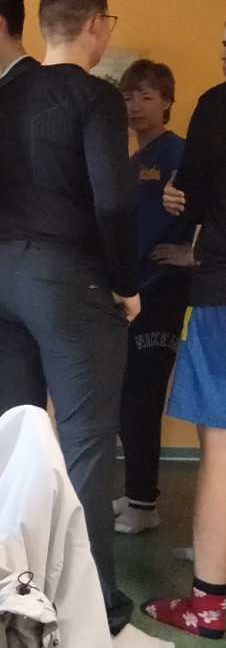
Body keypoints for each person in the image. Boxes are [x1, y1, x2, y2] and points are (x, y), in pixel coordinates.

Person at [0, 0, 173, 648]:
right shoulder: (95, 97)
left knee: (10, 439)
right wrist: (126, 284)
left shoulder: (6, 95)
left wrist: (4, 225)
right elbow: (115, 203)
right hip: (70, 281)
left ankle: (3, 598)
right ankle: (104, 620)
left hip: (1, 275)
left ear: (43, 25)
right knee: (87, 446)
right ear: (96, 24)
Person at [143, 27, 226, 640]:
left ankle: (210, 602)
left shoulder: (218, 104)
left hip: (224, 294)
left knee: (220, 445)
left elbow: (189, 194)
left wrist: (182, 201)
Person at [114, 61, 193, 533]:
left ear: (166, 101)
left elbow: (213, 210)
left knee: (142, 395)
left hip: (162, 292)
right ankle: (135, 493)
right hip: (130, 292)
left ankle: (145, 504)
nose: (136, 106)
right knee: (126, 395)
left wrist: (193, 253)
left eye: (146, 96)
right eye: (128, 97)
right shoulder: (129, 160)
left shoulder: (180, 153)